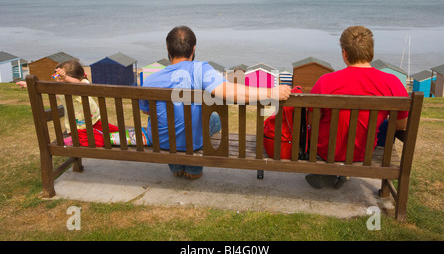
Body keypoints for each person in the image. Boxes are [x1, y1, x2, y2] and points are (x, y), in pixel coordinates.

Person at [139, 25, 291, 180]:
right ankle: (193, 169)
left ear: (168, 49)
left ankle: (176, 166)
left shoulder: (151, 79)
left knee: (163, 120)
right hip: (192, 142)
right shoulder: (201, 69)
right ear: (193, 49)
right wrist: (270, 92)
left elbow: (147, 111)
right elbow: (230, 91)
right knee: (215, 121)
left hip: (161, 141)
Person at [305, 25, 409, 189]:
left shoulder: (325, 81)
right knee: (383, 124)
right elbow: (401, 125)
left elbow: (312, 120)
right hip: (363, 153)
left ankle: (328, 173)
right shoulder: (392, 82)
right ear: (371, 53)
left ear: (344, 53)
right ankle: (342, 173)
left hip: (326, 150)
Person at [18, 60, 119, 147]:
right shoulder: (60, 87)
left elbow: (78, 84)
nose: (57, 80)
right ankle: (72, 140)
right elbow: (45, 86)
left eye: (59, 77)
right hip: (77, 127)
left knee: (117, 131)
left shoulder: (84, 83)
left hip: (93, 121)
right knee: (100, 141)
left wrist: (65, 77)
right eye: (56, 77)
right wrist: (31, 85)